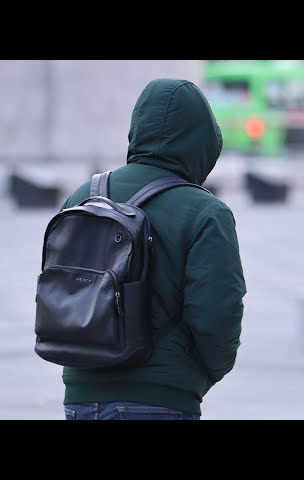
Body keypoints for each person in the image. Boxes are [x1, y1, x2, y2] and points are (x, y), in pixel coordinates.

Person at [60, 78, 246, 420]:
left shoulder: (82, 196)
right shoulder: (206, 212)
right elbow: (218, 316)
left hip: (80, 399)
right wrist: (193, 376)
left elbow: (59, 289)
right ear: (202, 142)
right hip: (160, 400)